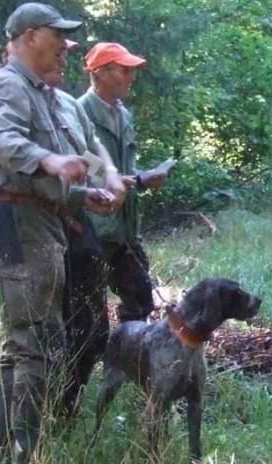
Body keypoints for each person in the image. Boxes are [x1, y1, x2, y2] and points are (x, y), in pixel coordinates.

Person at [0, 3, 117, 464]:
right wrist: (52, 163)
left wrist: (80, 195)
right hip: (16, 223)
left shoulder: (42, 93)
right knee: (33, 346)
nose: (63, 44)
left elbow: (41, 175)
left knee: (22, 346)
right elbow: (3, 142)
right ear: (31, 36)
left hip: (40, 220)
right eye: (57, 35)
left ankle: (0, 459)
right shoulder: (6, 85)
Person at [78, 43, 171, 325]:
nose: (132, 77)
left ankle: (131, 356)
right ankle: (89, 362)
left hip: (124, 228)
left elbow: (123, 170)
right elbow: (75, 159)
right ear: (101, 73)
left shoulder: (123, 114)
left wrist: (142, 178)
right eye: (125, 70)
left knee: (141, 296)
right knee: (88, 309)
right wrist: (108, 178)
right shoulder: (78, 111)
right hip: (93, 226)